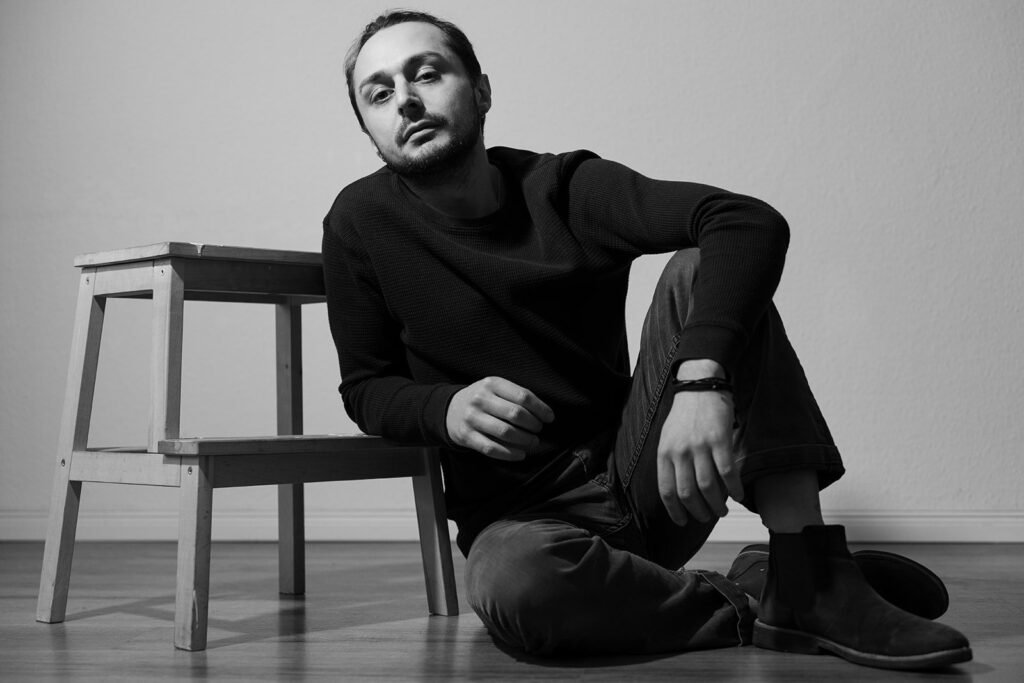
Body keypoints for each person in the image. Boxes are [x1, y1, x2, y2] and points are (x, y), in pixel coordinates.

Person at [322, 9, 971, 670]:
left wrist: (701, 377)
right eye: (378, 93)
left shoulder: (564, 188)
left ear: (482, 91)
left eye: (427, 73)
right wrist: (446, 410)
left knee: (699, 269)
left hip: (653, 479)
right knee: (516, 588)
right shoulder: (360, 223)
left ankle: (807, 563)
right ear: (371, 130)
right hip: (523, 527)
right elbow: (367, 389)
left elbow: (743, 221)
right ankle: (767, 591)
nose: (405, 99)